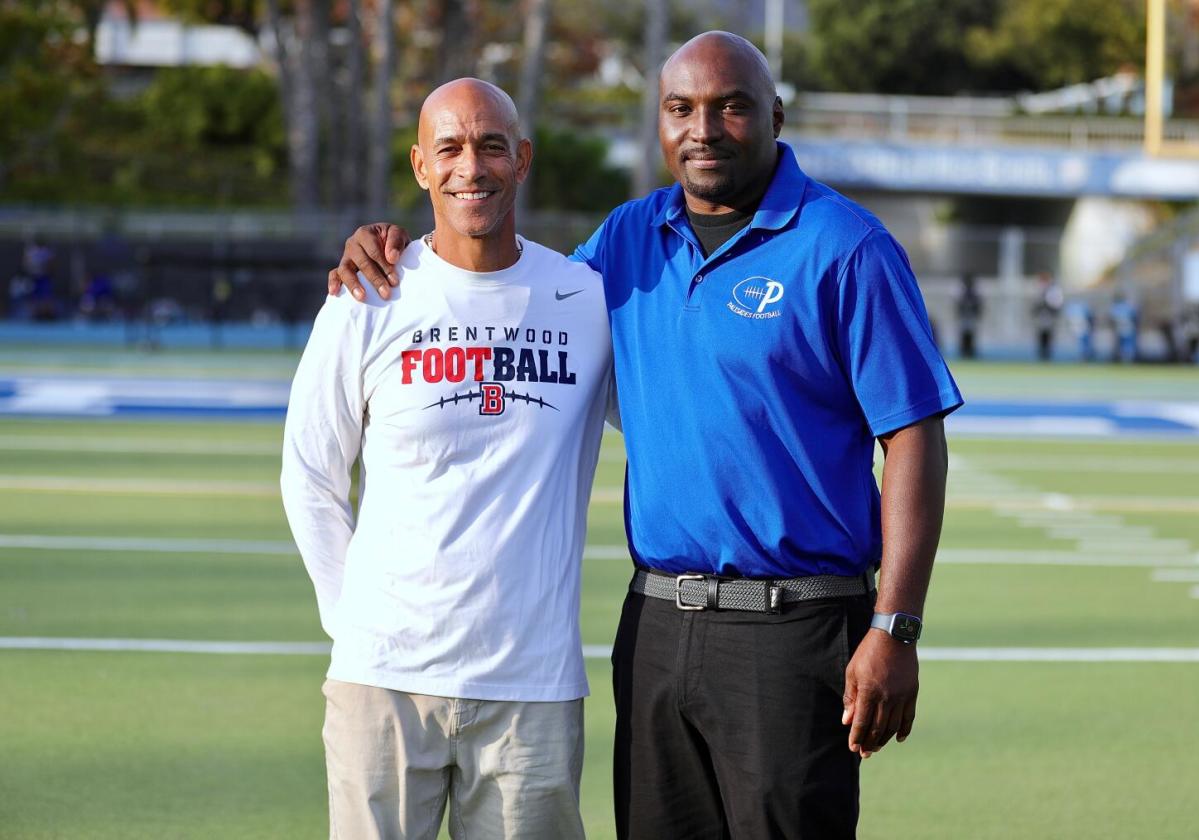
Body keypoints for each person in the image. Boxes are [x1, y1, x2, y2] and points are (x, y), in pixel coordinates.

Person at [328, 32, 961, 840]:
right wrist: (397, 253)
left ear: (774, 114)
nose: (704, 128)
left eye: (730, 107)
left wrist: (895, 627)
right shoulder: (627, 240)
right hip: (657, 626)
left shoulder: (847, 246)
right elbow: (506, 289)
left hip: (794, 626)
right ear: (659, 124)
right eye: (680, 109)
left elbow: (913, 436)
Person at [281, 78, 615, 840]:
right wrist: (353, 622)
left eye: (492, 145)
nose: (473, 166)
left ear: (522, 159)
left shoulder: (584, 297)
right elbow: (310, 473)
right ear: (421, 167)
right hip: (385, 684)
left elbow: (675, 415)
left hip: (531, 686)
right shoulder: (369, 296)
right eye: (451, 149)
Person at [1032, 272, 1063, 361]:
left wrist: (1045, 305)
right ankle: (1042, 355)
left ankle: (1047, 356)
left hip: (1049, 315)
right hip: (1042, 316)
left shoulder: (1053, 289)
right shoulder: (1041, 290)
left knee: (1048, 336)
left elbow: (1056, 304)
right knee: (1041, 336)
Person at [956, 273, 983, 359]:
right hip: (965, 317)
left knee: (970, 336)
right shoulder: (962, 294)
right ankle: (964, 352)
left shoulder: (974, 294)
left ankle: (970, 353)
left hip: (971, 317)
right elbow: (958, 306)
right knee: (964, 336)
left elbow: (978, 306)